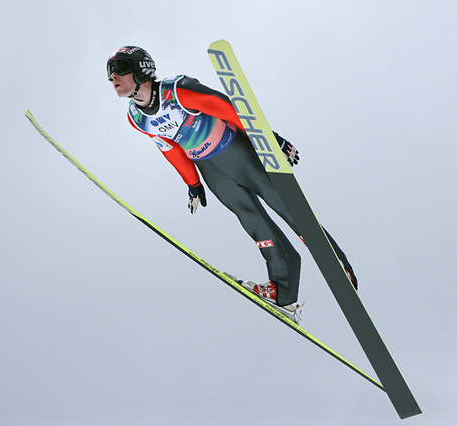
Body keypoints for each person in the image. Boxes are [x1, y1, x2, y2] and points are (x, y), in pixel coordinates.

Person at [107, 45, 357, 311]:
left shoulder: (176, 90)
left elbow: (227, 109)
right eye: (110, 73)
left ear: (142, 68)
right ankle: (283, 291)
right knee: (252, 220)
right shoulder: (136, 117)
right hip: (210, 168)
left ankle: (332, 258)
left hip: (234, 151)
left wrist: (270, 139)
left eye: (121, 69)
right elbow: (171, 149)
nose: (114, 77)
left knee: (282, 204)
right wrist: (193, 184)